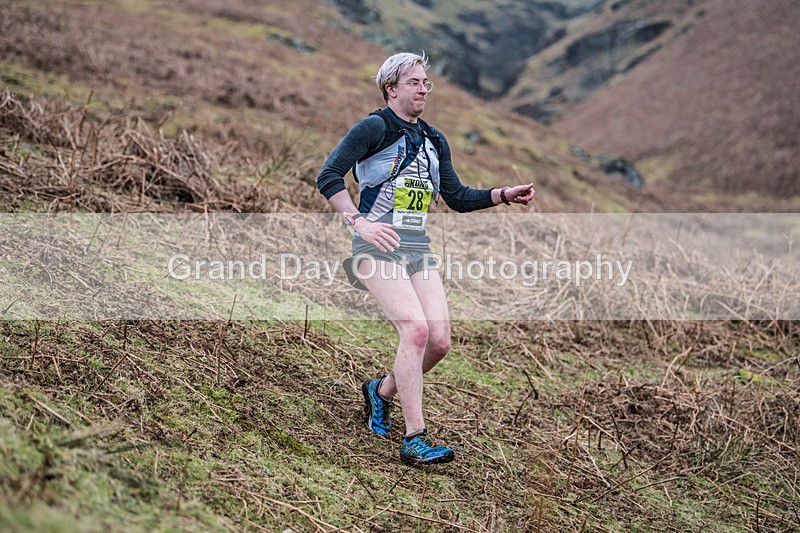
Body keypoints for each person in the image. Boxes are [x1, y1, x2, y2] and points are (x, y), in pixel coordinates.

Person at [317, 52, 535, 465]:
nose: (423, 89)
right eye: (414, 82)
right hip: (374, 247)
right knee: (414, 331)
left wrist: (503, 195)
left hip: (417, 249)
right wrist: (359, 223)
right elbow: (328, 176)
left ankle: (380, 392)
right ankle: (415, 437)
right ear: (391, 89)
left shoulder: (435, 140)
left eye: (426, 83)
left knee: (438, 341)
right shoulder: (374, 127)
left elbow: (456, 197)